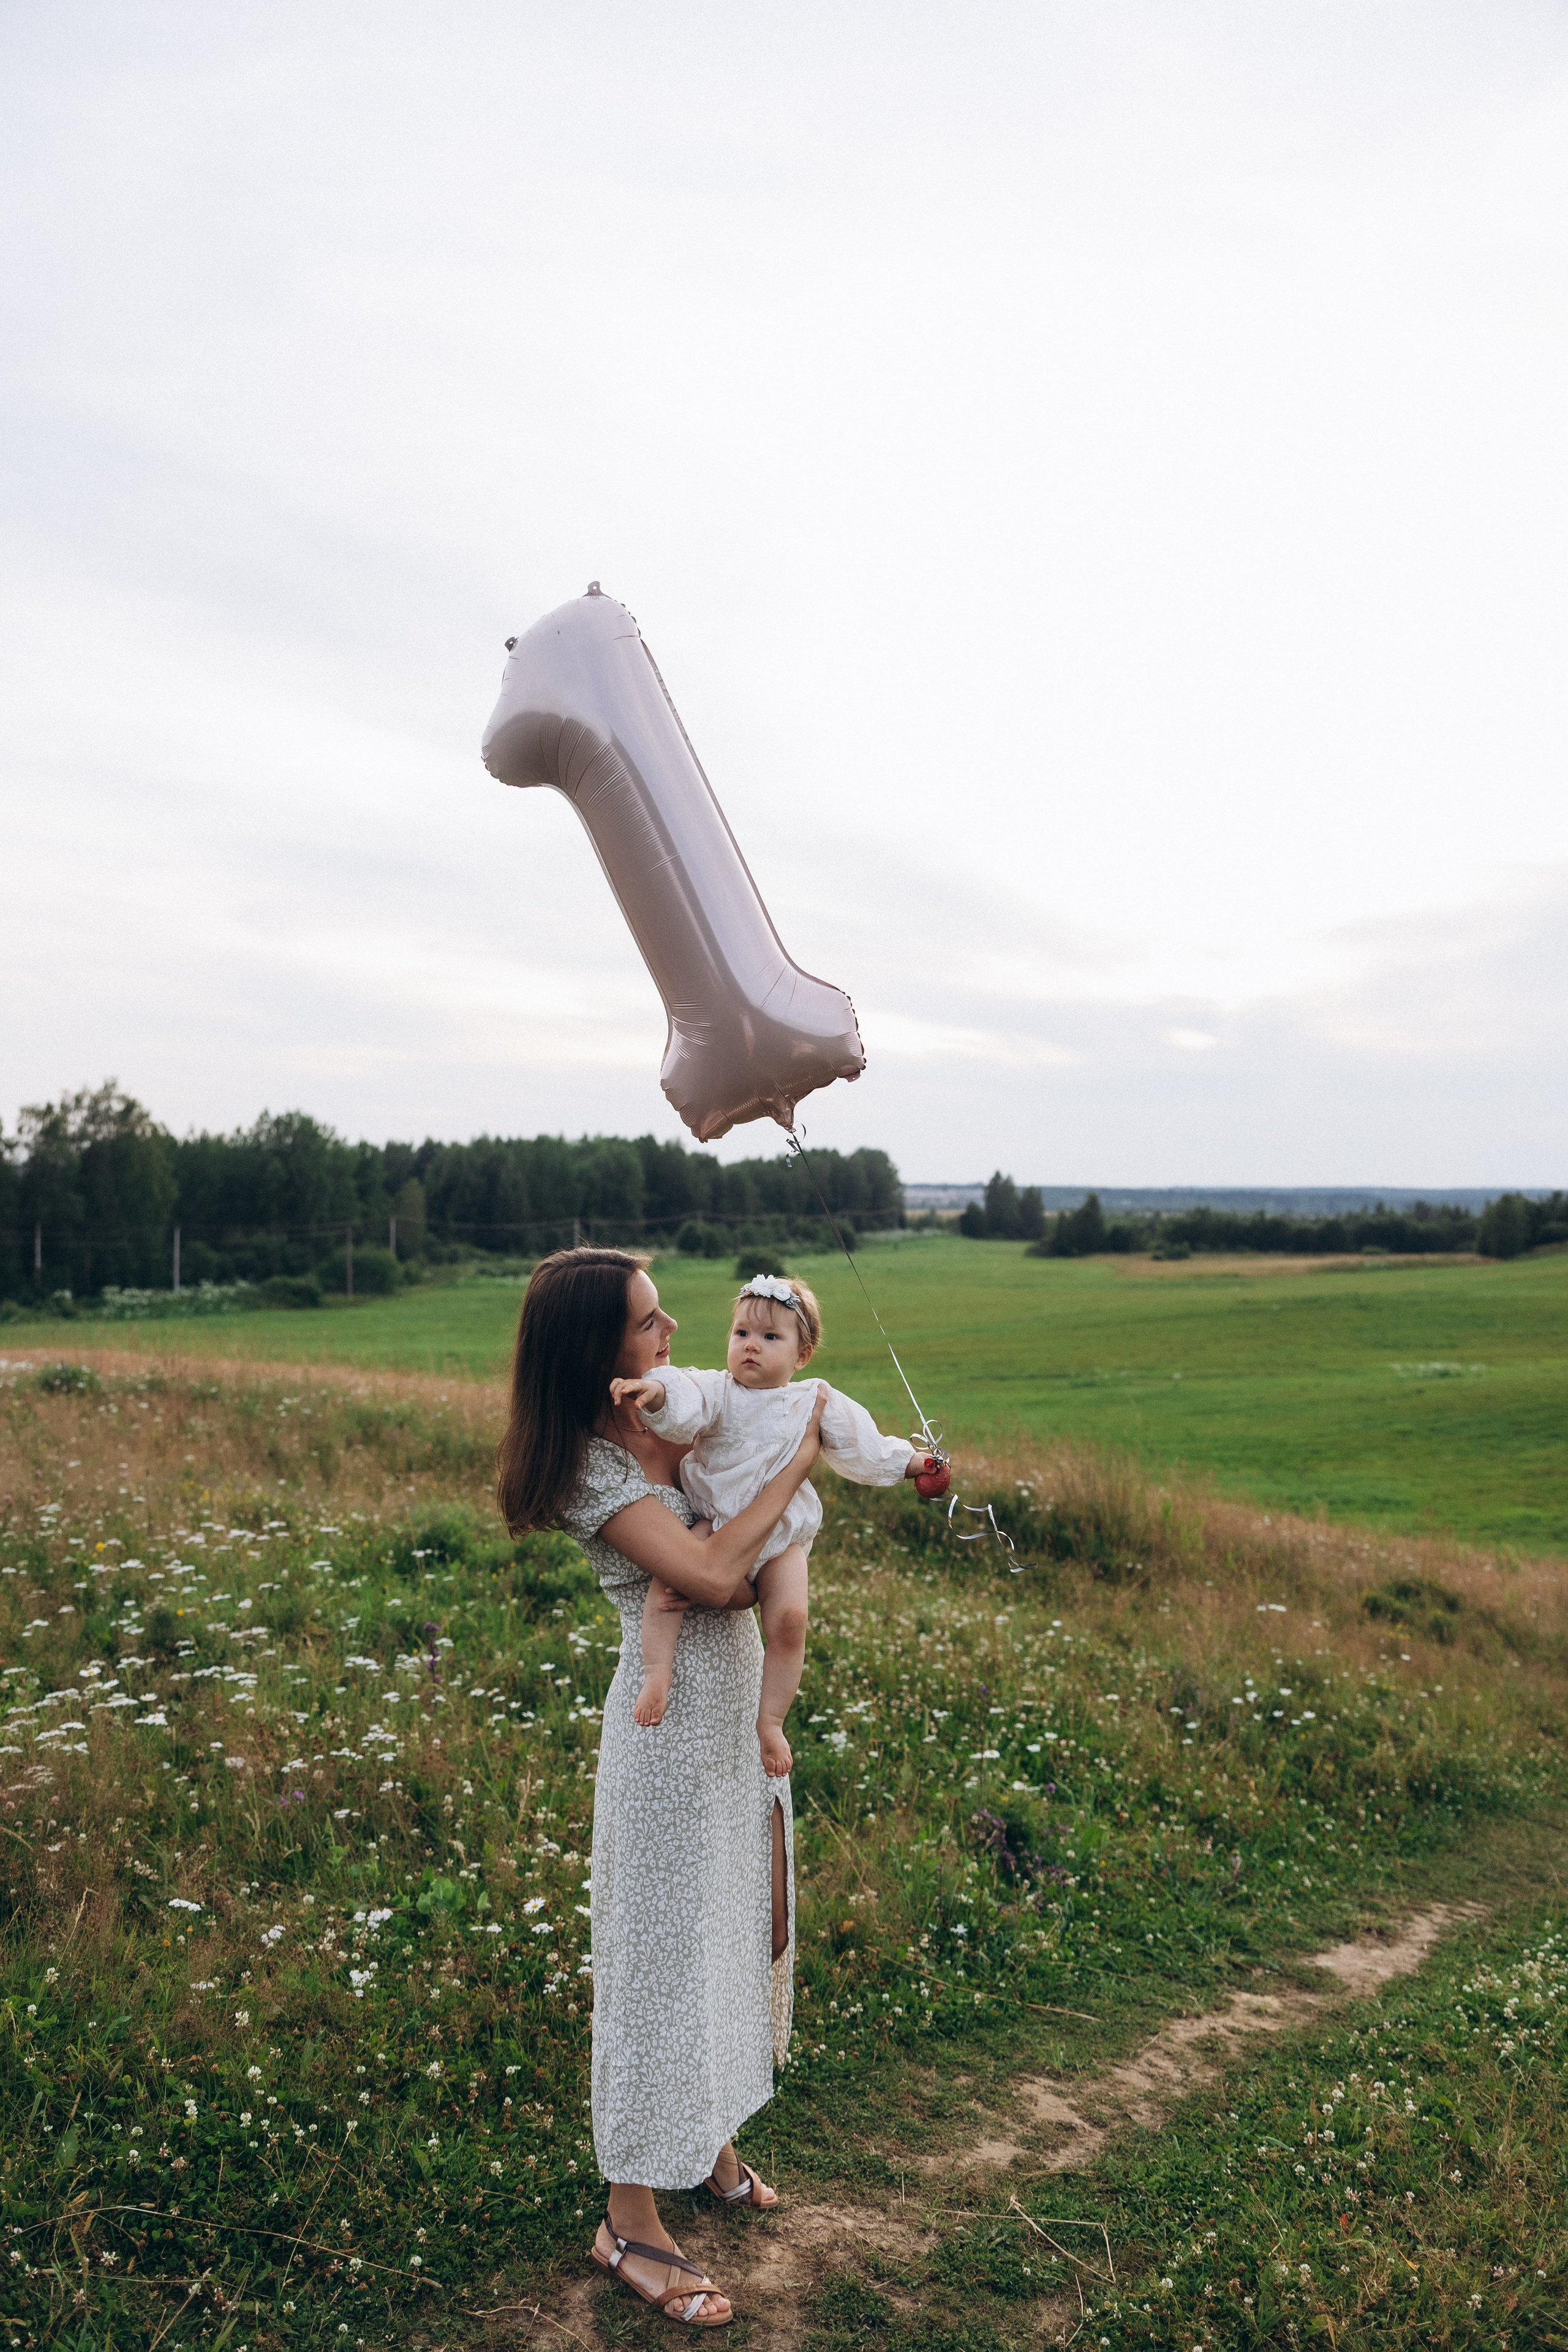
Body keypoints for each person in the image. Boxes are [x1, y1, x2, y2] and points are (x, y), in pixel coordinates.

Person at [497, 1246, 829, 2328]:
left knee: (739, 1932)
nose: (675, 1331)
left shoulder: (684, 1415)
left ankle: (708, 2141)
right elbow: (718, 1578)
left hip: (735, 1728)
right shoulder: (588, 1471)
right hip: (665, 1746)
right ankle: (629, 2219)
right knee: (658, 1966)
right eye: (649, 1321)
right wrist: (800, 1458)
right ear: (597, 1348)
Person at [613, 1273, 936, 1776]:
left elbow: (861, 1445)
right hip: (716, 1524)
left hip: (781, 1538)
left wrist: (911, 1464)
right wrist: (653, 1393)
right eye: (741, 1333)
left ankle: (771, 1721)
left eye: (770, 1337)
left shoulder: (814, 1400)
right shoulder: (719, 1391)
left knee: (790, 1621)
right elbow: (683, 1397)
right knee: (668, 1584)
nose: (751, 1346)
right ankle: (657, 1672)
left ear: (801, 1355)